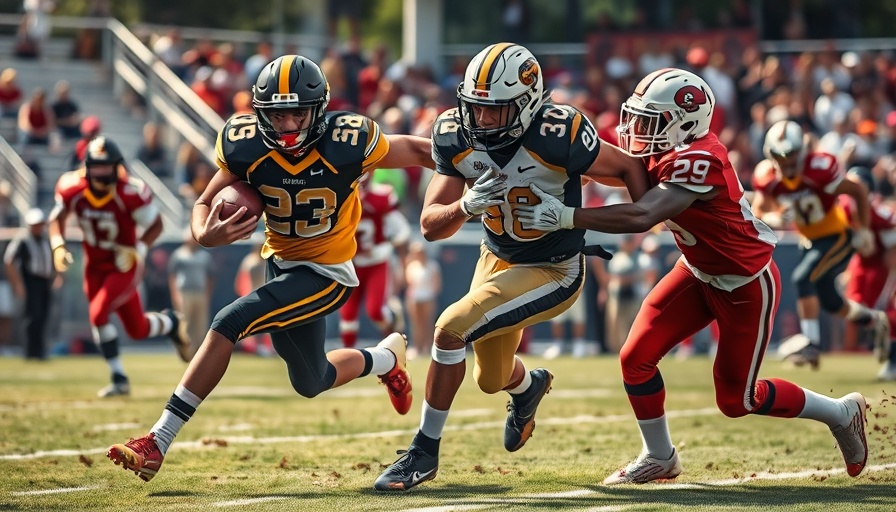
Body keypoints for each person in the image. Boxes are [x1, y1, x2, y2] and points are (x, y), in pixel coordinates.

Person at [516, 67, 869, 484]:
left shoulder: (700, 157)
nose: (637, 129)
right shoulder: (669, 147)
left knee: (737, 400)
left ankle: (840, 413)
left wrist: (566, 216)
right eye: (637, 117)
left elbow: (644, 213)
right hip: (696, 270)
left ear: (685, 122)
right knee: (634, 359)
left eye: (650, 120)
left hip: (745, 283)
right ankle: (659, 456)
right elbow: (616, 169)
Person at [107, 54, 435, 483]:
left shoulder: (349, 139)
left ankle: (157, 440)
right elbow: (205, 201)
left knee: (230, 319)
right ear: (262, 113)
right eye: (278, 115)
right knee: (311, 379)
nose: (288, 126)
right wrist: (205, 234)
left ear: (318, 110)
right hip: (279, 264)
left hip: (326, 272)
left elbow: (413, 149)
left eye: (298, 113)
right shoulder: (243, 143)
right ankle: (385, 358)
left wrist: (468, 169)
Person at [373, 42, 649, 491]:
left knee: (449, 328)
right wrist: (464, 205)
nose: (481, 120)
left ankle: (423, 453)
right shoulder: (456, 135)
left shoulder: (559, 132)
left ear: (527, 103)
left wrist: (649, 217)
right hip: (496, 257)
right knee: (490, 378)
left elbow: (629, 167)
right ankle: (527, 389)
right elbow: (429, 225)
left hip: (554, 268)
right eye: (476, 108)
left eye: (495, 110)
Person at [48, 136, 192, 397]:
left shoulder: (130, 191)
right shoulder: (73, 187)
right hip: (95, 265)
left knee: (97, 313)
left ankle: (119, 378)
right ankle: (170, 323)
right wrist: (58, 243)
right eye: (96, 167)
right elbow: (56, 218)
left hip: (124, 264)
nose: (101, 174)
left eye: (106, 167)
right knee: (137, 328)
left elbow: (156, 225)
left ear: (117, 167)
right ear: (87, 168)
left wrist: (138, 248)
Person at [751, 120, 888, 369]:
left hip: (838, 235)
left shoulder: (820, 168)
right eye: (780, 156)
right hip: (810, 240)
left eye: (791, 155)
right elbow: (758, 210)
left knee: (803, 278)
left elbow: (857, 191)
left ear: (801, 151)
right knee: (830, 301)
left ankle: (811, 344)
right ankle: (874, 320)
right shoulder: (767, 176)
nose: (786, 162)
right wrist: (773, 217)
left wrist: (865, 229)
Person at [339, 177, 410, 348]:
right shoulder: (340, 193)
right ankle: (348, 359)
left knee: (376, 311)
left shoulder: (382, 196)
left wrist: (401, 262)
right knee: (347, 316)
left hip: (376, 261)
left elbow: (401, 232)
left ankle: (393, 340)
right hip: (350, 263)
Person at [839, 167, 896, 378]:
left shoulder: (879, 213)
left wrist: (892, 279)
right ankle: (877, 338)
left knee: (888, 314)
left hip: (882, 266)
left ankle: (892, 360)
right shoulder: (844, 207)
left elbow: (892, 250)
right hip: (860, 264)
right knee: (852, 309)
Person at [4, 208, 55, 360]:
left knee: (43, 317)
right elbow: (9, 260)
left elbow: (56, 259)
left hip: (46, 282)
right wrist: (18, 284)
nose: (38, 227)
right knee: (32, 317)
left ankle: (40, 351)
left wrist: (58, 275)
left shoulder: (47, 239)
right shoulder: (23, 240)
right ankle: (30, 352)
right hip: (31, 281)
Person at [168, 228, 215, 358]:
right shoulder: (178, 254)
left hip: (200, 292)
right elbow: (172, 276)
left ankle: (197, 353)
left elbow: (210, 277)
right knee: (184, 323)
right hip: (184, 292)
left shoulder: (204, 256)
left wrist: (207, 294)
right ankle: (183, 351)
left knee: (200, 324)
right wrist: (175, 294)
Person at [404, 240, 440, 360]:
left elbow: (437, 284)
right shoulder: (411, 266)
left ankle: (428, 347)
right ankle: (417, 347)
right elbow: (409, 283)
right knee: (416, 324)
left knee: (428, 323)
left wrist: (430, 295)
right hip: (414, 299)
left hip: (428, 298)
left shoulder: (433, 265)